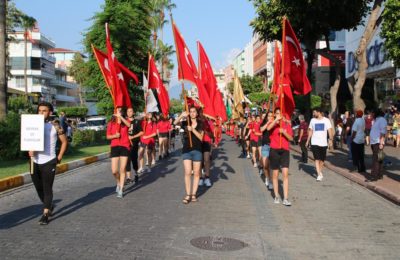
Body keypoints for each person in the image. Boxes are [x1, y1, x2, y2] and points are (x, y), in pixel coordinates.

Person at [29, 102, 68, 225]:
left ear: (50, 112)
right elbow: (27, 140)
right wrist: (29, 150)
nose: (41, 113)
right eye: (39, 110)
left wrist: (60, 156)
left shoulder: (55, 125)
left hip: (49, 161)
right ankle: (49, 205)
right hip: (33, 161)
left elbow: (64, 142)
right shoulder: (32, 124)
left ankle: (45, 213)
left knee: (47, 187)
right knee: (38, 187)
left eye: (44, 110)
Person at [174, 106, 204, 204]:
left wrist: (193, 130)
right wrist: (181, 116)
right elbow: (174, 123)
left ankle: (193, 194)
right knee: (187, 172)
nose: (192, 113)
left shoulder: (201, 124)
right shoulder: (185, 122)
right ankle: (187, 194)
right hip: (186, 150)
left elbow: (201, 138)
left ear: (197, 113)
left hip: (197, 150)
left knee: (196, 173)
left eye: (194, 111)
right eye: (190, 112)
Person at [267, 108, 293, 206]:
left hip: (285, 150)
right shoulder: (273, 125)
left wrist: (284, 132)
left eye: (279, 113)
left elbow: (291, 138)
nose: (278, 115)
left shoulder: (287, 125)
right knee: (275, 174)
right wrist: (275, 120)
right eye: (276, 113)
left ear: (283, 115)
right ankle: (276, 196)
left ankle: (286, 198)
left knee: (285, 174)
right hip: (274, 150)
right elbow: (268, 129)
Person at [106, 107, 131, 198]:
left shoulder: (126, 121)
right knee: (114, 171)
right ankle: (118, 181)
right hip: (115, 146)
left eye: (121, 110)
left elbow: (128, 125)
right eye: (118, 110)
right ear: (114, 112)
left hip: (124, 146)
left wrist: (121, 118)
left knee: (122, 168)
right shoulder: (111, 123)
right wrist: (115, 136)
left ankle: (121, 189)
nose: (119, 111)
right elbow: (108, 137)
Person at [306, 107, 334, 181]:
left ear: (319, 112)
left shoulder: (326, 120)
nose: (313, 114)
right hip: (314, 142)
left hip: (323, 142)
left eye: (314, 112)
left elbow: (330, 130)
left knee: (322, 159)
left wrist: (331, 139)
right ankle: (318, 174)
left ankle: (319, 171)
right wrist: (308, 140)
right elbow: (310, 131)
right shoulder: (312, 120)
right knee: (316, 158)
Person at [125, 108, 143, 184]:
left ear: (133, 112)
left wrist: (133, 137)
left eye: (131, 111)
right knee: (126, 160)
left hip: (134, 143)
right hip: (125, 144)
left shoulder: (137, 122)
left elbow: (141, 132)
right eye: (128, 111)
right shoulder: (124, 121)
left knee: (133, 159)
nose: (129, 113)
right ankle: (128, 177)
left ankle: (136, 172)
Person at [368, 109, 387, 181]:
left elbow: (383, 131)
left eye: (372, 113)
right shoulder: (376, 120)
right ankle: (379, 174)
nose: (371, 114)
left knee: (376, 159)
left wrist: (381, 142)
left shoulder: (381, 120)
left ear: (375, 113)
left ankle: (374, 176)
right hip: (374, 142)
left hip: (378, 142)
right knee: (379, 159)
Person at [260, 111, 273, 190]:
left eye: (272, 116)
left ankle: (271, 182)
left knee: (271, 166)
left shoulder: (274, 124)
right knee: (265, 165)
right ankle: (267, 178)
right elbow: (261, 129)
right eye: (269, 116)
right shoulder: (264, 123)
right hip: (265, 146)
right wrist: (268, 122)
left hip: (273, 146)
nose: (270, 117)